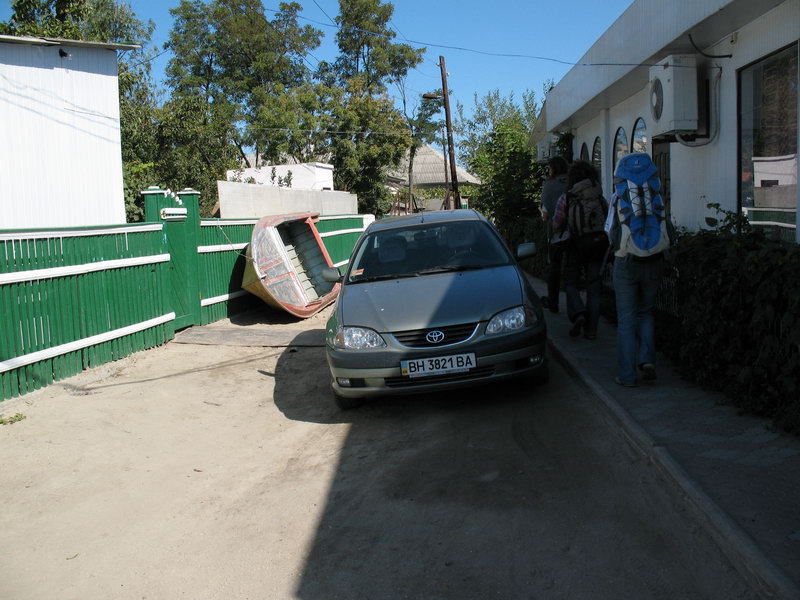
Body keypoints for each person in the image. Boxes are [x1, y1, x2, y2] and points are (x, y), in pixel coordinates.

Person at [606, 154, 669, 387]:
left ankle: (627, 376)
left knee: (626, 320)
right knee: (646, 312)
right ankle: (647, 360)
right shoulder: (655, 192)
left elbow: (611, 232)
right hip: (655, 260)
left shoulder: (618, 196)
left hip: (627, 262)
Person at [551, 160, 608, 340]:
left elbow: (556, 222)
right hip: (598, 245)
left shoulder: (567, 197)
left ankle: (578, 313)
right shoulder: (599, 197)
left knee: (570, 282)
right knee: (594, 287)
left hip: (575, 245)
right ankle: (591, 330)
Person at [539, 156, 569, 312]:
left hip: (556, 234)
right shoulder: (572, 184)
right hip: (575, 233)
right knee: (571, 270)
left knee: (555, 269)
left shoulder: (549, 186)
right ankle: (575, 308)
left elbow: (545, 213)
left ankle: (553, 303)